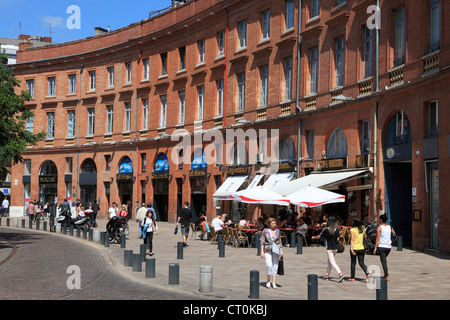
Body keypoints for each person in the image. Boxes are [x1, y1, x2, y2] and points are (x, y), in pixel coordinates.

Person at [312, 216, 345, 282]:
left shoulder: (326, 229)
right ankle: (327, 275)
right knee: (329, 262)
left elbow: (319, 236)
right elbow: (338, 239)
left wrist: (313, 237)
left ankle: (340, 274)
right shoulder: (337, 229)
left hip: (329, 248)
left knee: (332, 262)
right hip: (335, 248)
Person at [260, 218, 283, 289]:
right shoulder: (265, 231)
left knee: (275, 266)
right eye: (273, 223)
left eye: (275, 223)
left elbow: (280, 241)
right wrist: (262, 251)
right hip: (267, 250)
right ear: (269, 224)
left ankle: (274, 282)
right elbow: (262, 242)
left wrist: (282, 251)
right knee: (269, 265)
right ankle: (268, 280)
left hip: (276, 250)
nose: (275, 225)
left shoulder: (278, 231)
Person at [374, 214, 395, 281]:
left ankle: (386, 275)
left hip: (382, 246)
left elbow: (377, 238)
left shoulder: (379, 228)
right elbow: (394, 235)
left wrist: (375, 248)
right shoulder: (390, 227)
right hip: (388, 247)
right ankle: (385, 274)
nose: (379, 220)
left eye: (379, 219)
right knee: (384, 260)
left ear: (381, 220)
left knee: (383, 261)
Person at [349, 218, 370, 282]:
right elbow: (365, 238)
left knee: (353, 263)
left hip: (355, 248)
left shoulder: (352, 230)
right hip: (362, 248)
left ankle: (352, 277)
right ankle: (367, 273)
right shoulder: (363, 229)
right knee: (361, 263)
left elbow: (352, 240)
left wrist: (351, 249)